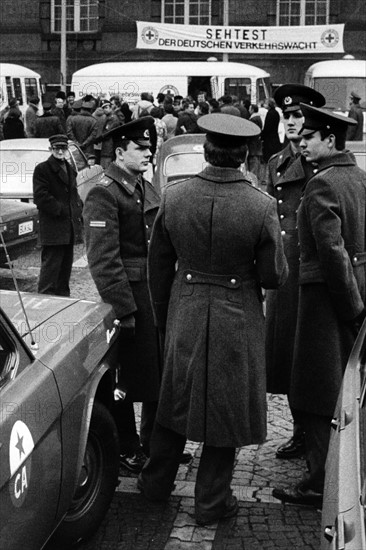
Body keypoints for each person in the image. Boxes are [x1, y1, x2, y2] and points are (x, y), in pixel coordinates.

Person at [138, 113, 288, 525]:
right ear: (243, 156)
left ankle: (155, 485)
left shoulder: (174, 195)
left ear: (205, 150)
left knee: (174, 399)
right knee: (226, 408)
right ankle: (210, 503)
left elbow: (158, 265)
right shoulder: (259, 206)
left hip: (184, 306)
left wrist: (165, 315)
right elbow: (274, 276)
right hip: (236, 313)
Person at [83, 118, 191, 473]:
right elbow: (103, 259)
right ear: (119, 152)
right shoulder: (105, 191)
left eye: (150, 148)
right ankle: (126, 448)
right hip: (129, 298)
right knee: (124, 380)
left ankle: (155, 444)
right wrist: (123, 309)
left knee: (154, 372)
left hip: (153, 294)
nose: (148, 154)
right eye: (140, 149)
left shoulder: (141, 186)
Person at [273, 104, 366, 507]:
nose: (303, 143)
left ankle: (318, 483)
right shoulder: (359, 177)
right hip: (354, 288)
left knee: (314, 391)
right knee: (347, 388)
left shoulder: (321, 184)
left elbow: (331, 250)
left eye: (310, 137)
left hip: (325, 301)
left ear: (330, 140)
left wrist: (349, 307)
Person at [265, 84, 326, 460]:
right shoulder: (276, 163)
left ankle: (318, 432)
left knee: (314, 356)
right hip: (284, 272)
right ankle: (301, 430)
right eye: (287, 116)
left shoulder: (319, 162)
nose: (291, 122)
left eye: (299, 116)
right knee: (286, 354)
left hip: (312, 269)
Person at [33, 134, 83, 296]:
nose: (60, 151)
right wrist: (62, 210)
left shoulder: (69, 168)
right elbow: (41, 197)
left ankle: (63, 299)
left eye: (63, 148)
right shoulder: (43, 169)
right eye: (57, 148)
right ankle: (46, 301)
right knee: (51, 268)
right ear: (51, 149)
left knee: (65, 269)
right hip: (54, 227)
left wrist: (78, 212)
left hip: (68, 227)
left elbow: (74, 195)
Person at [261, 98, 282, 163]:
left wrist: (262, 136)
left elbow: (267, 127)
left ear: (269, 104)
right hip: (275, 137)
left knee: (269, 158)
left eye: (265, 103)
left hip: (269, 139)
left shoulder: (270, 113)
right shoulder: (276, 113)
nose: (264, 105)